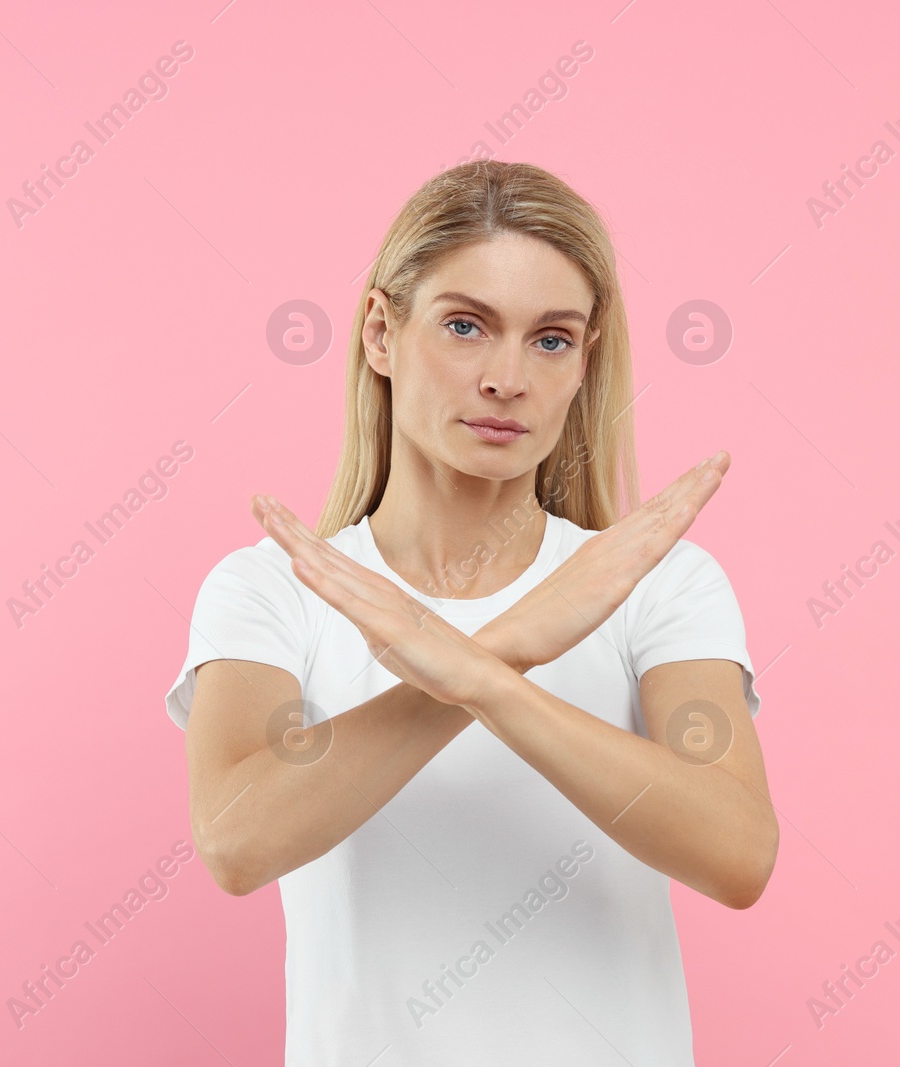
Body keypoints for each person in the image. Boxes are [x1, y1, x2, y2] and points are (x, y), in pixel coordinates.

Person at [163, 160, 777, 1066]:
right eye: (464, 325)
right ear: (381, 331)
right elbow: (237, 841)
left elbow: (737, 854)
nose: (507, 377)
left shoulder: (657, 583)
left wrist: (486, 671)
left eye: (552, 340)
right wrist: (506, 649)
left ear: (584, 362)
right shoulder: (271, 590)